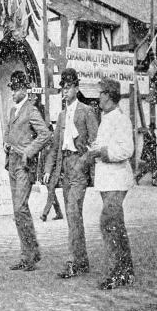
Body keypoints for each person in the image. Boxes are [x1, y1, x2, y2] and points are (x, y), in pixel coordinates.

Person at [43, 68, 98, 279]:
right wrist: (48, 169)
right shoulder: (61, 115)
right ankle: (81, 260)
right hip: (65, 167)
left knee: (74, 212)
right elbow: (55, 146)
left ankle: (72, 262)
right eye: (63, 89)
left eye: (68, 88)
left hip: (79, 166)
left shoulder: (86, 111)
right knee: (72, 216)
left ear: (76, 88)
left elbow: (95, 142)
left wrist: (87, 163)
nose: (65, 92)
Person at [87, 77, 135, 290]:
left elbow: (127, 150)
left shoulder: (121, 119)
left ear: (108, 95)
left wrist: (103, 152)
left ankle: (117, 272)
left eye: (101, 94)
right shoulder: (106, 118)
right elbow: (104, 144)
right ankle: (126, 271)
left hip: (117, 179)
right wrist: (94, 148)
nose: (98, 98)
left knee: (108, 223)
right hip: (107, 180)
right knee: (116, 226)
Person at [3, 71, 51, 272]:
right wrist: (5, 143)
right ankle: (28, 253)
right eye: (12, 89)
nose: (13, 93)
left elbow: (45, 134)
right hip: (12, 162)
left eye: (15, 89)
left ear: (24, 89)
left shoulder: (31, 110)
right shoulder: (13, 111)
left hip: (24, 164)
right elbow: (8, 132)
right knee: (18, 210)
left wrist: (29, 152)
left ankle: (31, 254)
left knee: (20, 208)